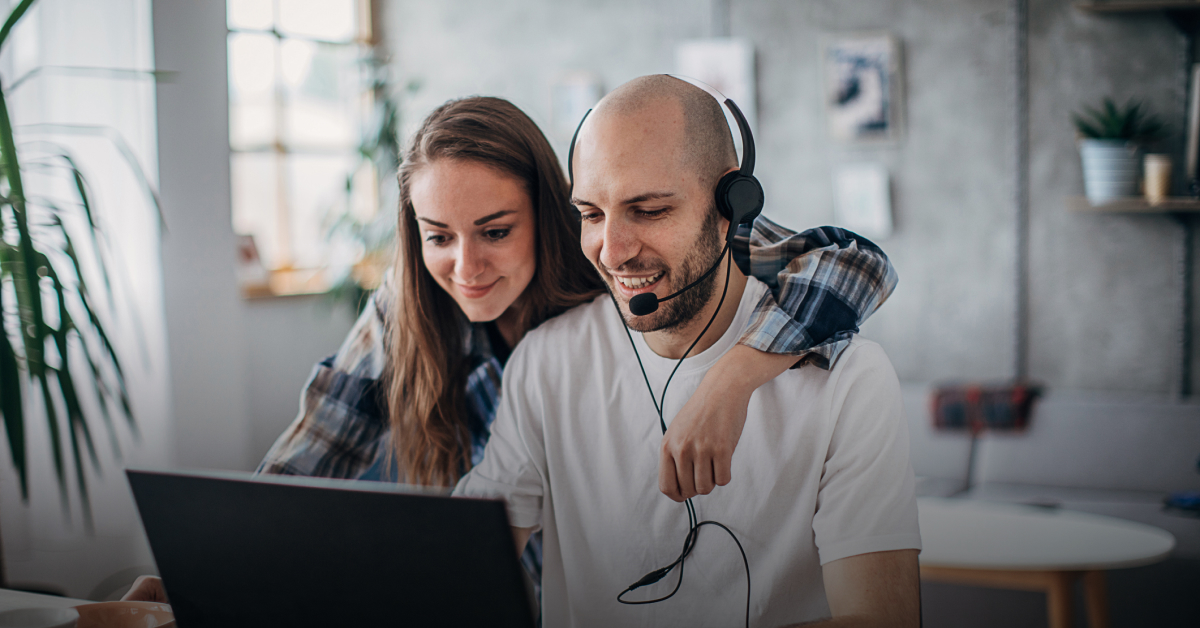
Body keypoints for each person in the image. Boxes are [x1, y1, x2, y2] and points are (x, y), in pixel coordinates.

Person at [123, 94, 898, 604]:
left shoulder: (630, 265)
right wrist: (206, 576)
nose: (466, 266)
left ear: (549, 215)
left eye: (495, 231)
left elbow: (851, 262)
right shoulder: (417, 311)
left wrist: (734, 378)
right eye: (438, 236)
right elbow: (307, 463)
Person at [452, 76, 920, 627]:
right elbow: (461, 568)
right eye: (592, 214)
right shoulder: (546, 361)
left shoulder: (848, 378)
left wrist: (731, 377)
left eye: (648, 211)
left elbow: (882, 620)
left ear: (733, 205)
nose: (614, 252)